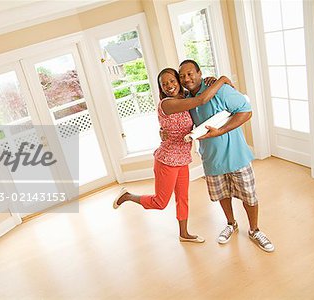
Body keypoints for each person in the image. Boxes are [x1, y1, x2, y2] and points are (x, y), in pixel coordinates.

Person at [113, 68, 233, 243]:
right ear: (161, 88)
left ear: (178, 81)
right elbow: (200, 99)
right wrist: (222, 79)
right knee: (160, 202)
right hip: (167, 160)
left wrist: (210, 79)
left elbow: (197, 93)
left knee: (182, 198)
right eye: (164, 84)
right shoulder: (167, 104)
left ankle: (184, 234)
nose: (169, 86)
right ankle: (127, 196)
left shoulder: (183, 98)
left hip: (183, 159)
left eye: (172, 81)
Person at [177, 59, 274, 252]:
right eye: (182, 76)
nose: (187, 79)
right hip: (211, 159)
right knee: (223, 195)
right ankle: (231, 224)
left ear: (199, 73)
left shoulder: (218, 89)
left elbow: (246, 111)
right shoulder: (186, 101)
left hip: (236, 155)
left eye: (190, 74)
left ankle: (254, 230)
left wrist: (220, 132)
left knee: (249, 197)